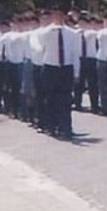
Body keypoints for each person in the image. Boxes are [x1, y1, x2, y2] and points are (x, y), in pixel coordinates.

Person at [36, 8, 80, 139]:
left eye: (60, 15)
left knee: (66, 100)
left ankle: (66, 127)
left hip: (66, 68)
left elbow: (75, 53)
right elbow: (40, 49)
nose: (57, 18)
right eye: (54, 15)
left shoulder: (72, 33)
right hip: (50, 67)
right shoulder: (44, 32)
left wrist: (76, 72)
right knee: (50, 99)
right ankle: (51, 126)